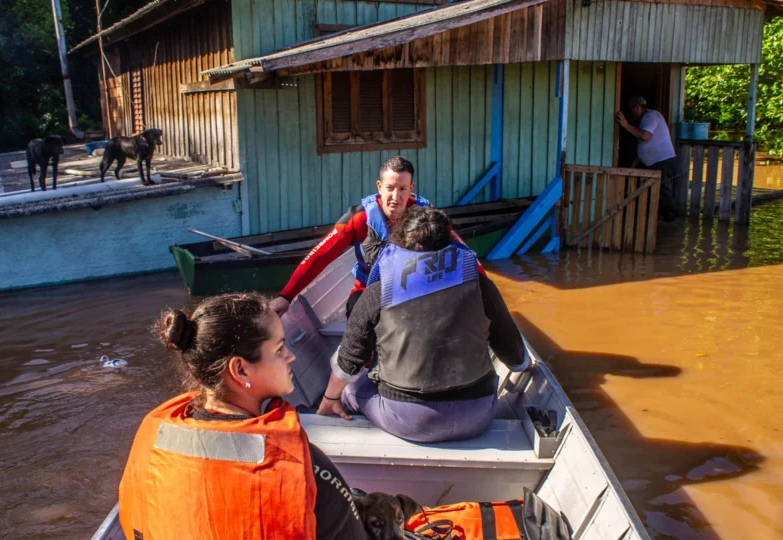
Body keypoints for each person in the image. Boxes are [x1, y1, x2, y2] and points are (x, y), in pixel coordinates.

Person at [118, 293, 367, 540]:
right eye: (279, 349)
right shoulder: (300, 465)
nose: (291, 356)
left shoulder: (158, 435)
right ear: (240, 370)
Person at [315, 207, 529, 443]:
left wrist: (330, 399)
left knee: (350, 389)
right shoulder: (480, 285)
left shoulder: (377, 292)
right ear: (450, 241)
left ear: (398, 243)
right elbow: (517, 361)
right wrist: (525, 364)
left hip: (408, 420)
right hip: (477, 415)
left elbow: (347, 365)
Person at [269, 156, 436, 319]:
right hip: (368, 290)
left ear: (411, 188)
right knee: (360, 316)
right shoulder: (358, 218)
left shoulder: (427, 216)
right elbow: (320, 255)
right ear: (379, 186)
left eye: (402, 189)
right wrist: (286, 296)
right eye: (390, 188)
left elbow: (458, 250)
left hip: (414, 290)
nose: (395, 197)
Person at [615, 95, 679, 221]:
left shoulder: (652, 116)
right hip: (654, 163)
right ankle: (657, 219)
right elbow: (643, 147)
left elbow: (645, 136)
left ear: (638, 107)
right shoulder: (645, 120)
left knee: (664, 192)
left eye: (632, 110)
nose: (631, 113)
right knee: (655, 192)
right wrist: (632, 167)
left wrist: (626, 125)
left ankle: (670, 222)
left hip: (663, 161)